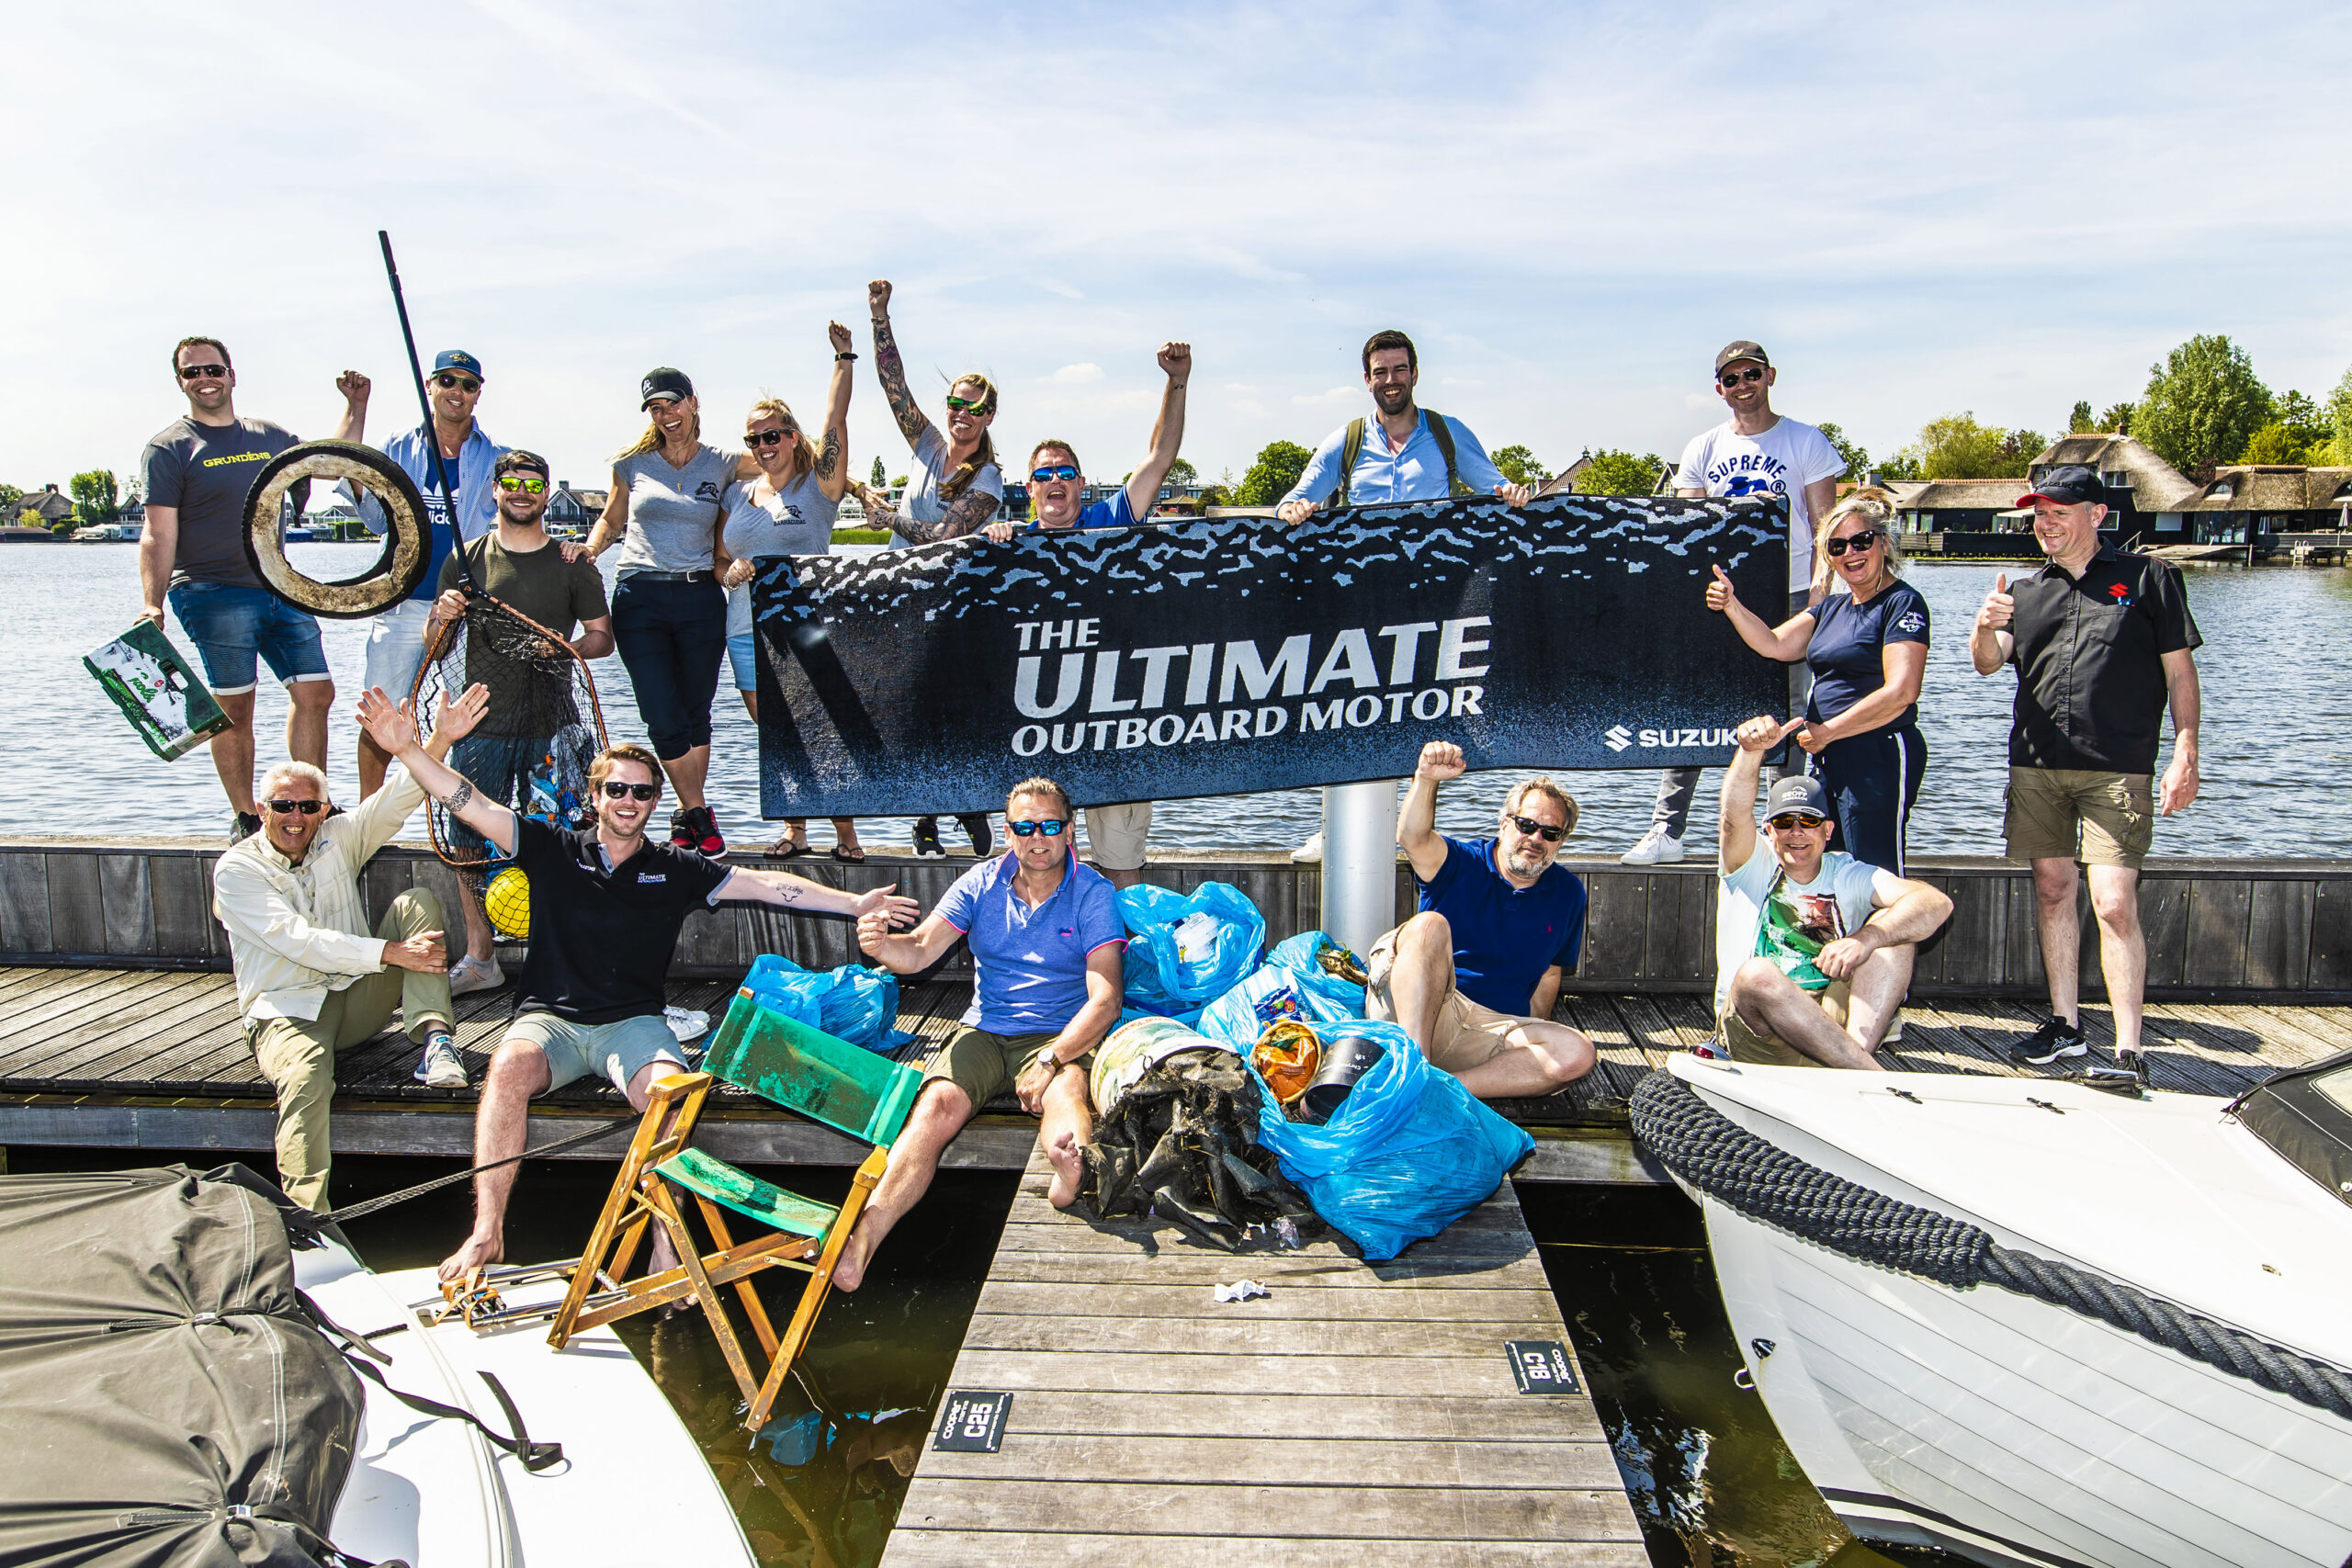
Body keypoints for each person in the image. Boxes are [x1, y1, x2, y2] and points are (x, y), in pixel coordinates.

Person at [354, 709, 920, 1281]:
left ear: (654, 803)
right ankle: (487, 1231)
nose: (629, 801)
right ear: (596, 796)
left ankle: (664, 1245)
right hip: (552, 1022)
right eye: (617, 789)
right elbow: (467, 800)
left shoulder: (676, 866)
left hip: (634, 1024)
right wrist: (408, 751)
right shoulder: (551, 847)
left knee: (670, 1094)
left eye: (642, 793)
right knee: (506, 1068)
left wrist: (854, 905)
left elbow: (768, 884)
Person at [837, 778, 1125, 1291]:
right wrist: (881, 946)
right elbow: (921, 950)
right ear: (1008, 832)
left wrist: (1053, 1058)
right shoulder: (980, 882)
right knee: (934, 1106)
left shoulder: (1095, 893)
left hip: (1060, 1035)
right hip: (986, 1030)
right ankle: (865, 1235)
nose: (1038, 838)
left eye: (1050, 825)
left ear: (1070, 829)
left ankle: (1069, 1164)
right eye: (1024, 827)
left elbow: (1105, 1000)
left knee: (1069, 1088)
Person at [212, 682, 488, 1210]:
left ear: (323, 809)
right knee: (304, 1077)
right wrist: (387, 954)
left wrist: (440, 738)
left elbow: (400, 796)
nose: (295, 816)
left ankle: (436, 1043)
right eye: (283, 805)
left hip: (356, 998)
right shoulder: (238, 869)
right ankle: (308, 1220)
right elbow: (296, 941)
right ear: (260, 808)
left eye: (308, 806)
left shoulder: (339, 836)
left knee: (417, 903)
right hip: (287, 1012)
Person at [1970, 466, 2202, 1074]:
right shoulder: (2024, 591)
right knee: (2052, 891)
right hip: (2038, 766)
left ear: (2097, 514)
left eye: (2057, 512)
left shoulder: (2149, 579)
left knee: (2114, 902)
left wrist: (2186, 749)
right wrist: (1984, 624)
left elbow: (2180, 673)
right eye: (2038, 515)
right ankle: (2066, 1025)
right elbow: (1989, 665)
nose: (2044, 524)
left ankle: (2129, 1048)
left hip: (2118, 769)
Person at [1273, 329, 1533, 862]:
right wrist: (1294, 510)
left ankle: (1413, 833)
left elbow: (1495, 486)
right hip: (1361, 604)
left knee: (1421, 715)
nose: (1390, 381)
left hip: (1431, 602)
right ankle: (1337, 828)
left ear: (1415, 373)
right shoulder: (1344, 441)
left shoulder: (1446, 433)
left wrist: (1511, 491)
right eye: (1380, 372)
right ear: (1366, 379)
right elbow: (1296, 498)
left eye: (1399, 370)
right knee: (1347, 707)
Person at [1624, 341, 1848, 866]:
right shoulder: (1703, 447)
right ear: (1718, 388)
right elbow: (1684, 536)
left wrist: (1819, 597)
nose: (1742, 384)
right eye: (1730, 378)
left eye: (1751, 374)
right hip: (1720, 598)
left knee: (1787, 716)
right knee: (1694, 706)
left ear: (1770, 376)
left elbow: (1826, 530)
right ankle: (1667, 831)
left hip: (1790, 595)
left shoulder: (1806, 441)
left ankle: (1784, 834)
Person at [139, 337, 370, 840]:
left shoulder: (270, 435)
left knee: (316, 692)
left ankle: (306, 804)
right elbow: (158, 532)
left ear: (231, 374)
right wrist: (151, 604)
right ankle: (247, 817)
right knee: (234, 707)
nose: (205, 378)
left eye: (214, 369)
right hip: (209, 590)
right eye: (193, 371)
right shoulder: (170, 447)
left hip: (279, 585)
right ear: (181, 381)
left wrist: (355, 407)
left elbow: (331, 464)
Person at [982, 343, 1193, 888]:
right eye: (1044, 474)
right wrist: (992, 545)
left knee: (1120, 858)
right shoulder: (1010, 544)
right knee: (1035, 858)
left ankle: (1121, 966)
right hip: (1038, 723)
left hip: (1114, 716)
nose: (1056, 481)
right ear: (1028, 489)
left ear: (1081, 483)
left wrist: (1177, 381)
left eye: (1066, 472)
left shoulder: (1111, 521)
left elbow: (1160, 459)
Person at [426, 449, 614, 998]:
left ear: (546, 490)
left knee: (562, 841)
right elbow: (433, 649)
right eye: (511, 482)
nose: (522, 491)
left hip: (555, 727)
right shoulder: (466, 558)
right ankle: (482, 958)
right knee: (465, 841)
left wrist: (564, 646)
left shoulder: (573, 563)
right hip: (479, 726)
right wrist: (443, 615)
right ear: (494, 490)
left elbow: (602, 640)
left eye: (534, 483)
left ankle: (557, 957)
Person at [1705, 487, 1929, 873]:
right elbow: (1774, 644)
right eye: (1838, 547)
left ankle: (1889, 935)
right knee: (1832, 867)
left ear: (1885, 543)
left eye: (1861, 541)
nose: (1851, 553)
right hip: (1828, 757)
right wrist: (1731, 604)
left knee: (1875, 871)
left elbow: (1902, 692)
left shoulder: (1902, 603)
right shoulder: (1832, 607)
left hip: (1878, 752)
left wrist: (1828, 731)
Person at [584, 367, 761, 858]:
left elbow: (786, 462)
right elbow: (611, 518)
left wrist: (853, 487)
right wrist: (589, 549)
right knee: (661, 717)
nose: (666, 416)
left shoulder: (724, 462)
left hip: (700, 599)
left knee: (695, 715)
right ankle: (700, 811)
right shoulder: (632, 463)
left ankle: (686, 819)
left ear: (693, 402)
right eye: (656, 408)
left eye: (672, 404)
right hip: (639, 598)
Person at [1710, 716, 1952, 1069]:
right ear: (1768, 830)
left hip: (1831, 1026)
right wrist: (1750, 752)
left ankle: (1851, 1061)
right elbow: (1733, 817)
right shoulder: (1749, 864)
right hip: (1757, 1030)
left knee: (1896, 934)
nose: (1796, 833)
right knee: (1756, 974)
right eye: (1784, 822)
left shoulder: (1847, 871)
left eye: (1808, 822)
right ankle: (1866, 1075)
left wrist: (1867, 938)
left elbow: (1936, 903)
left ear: (1827, 830)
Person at [863, 276, 1003, 862]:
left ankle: (968, 804)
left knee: (952, 713)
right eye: (954, 403)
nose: (960, 413)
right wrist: (879, 316)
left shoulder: (989, 479)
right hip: (906, 603)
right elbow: (893, 385)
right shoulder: (926, 444)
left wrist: (886, 515)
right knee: (912, 710)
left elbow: (946, 538)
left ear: (989, 413)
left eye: (972, 406)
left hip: (956, 609)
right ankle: (924, 818)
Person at [1364, 740, 1595, 1098]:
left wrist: (1535, 1029)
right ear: (1504, 824)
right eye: (1526, 824)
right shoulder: (1461, 862)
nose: (1535, 838)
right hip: (1427, 1012)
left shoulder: (1569, 893)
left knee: (1577, 1054)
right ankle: (1414, 1066)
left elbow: (1551, 972)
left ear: (1561, 841)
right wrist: (1426, 779)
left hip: (1491, 1030)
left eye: (1550, 833)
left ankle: (1434, 1091)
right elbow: (1412, 838)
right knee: (1428, 925)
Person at [725, 323, 860, 861]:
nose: (763, 446)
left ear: (792, 436)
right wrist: (729, 571)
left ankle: (847, 834)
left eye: (772, 436)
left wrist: (844, 357)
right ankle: (794, 829)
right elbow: (719, 559)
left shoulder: (819, 487)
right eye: (754, 439)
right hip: (743, 630)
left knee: (824, 729)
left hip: (805, 627)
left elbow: (836, 421)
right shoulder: (739, 494)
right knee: (778, 735)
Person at [360, 349, 506, 798]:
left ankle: (469, 815)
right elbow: (374, 520)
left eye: (467, 384)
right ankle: (368, 816)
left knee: (472, 719)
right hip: (403, 604)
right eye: (447, 381)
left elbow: (514, 526)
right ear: (431, 386)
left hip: (468, 610)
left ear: (478, 394)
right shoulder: (395, 448)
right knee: (380, 716)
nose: (456, 392)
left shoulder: (498, 457)